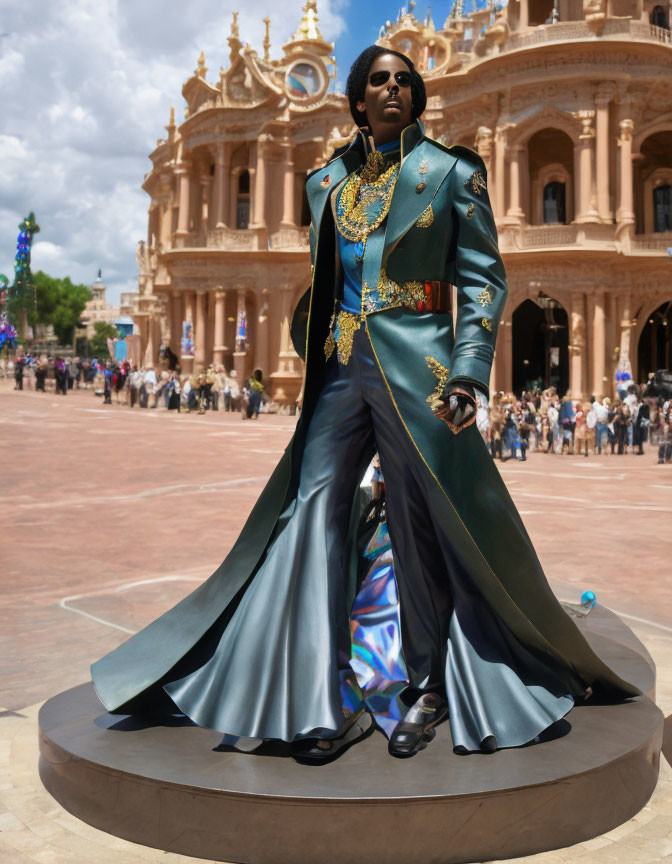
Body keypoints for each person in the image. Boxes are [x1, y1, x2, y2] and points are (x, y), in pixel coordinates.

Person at [91, 46, 637, 763]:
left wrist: (471, 372)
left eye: (404, 81)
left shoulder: (449, 173)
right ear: (356, 100)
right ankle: (323, 698)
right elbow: (321, 283)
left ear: (417, 98)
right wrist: (308, 343)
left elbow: (481, 280)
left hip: (420, 367)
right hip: (341, 367)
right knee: (310, 513)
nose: (392, 89)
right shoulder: (325, 184)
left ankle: (428, 686)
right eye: (378, 81)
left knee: (421, 523)